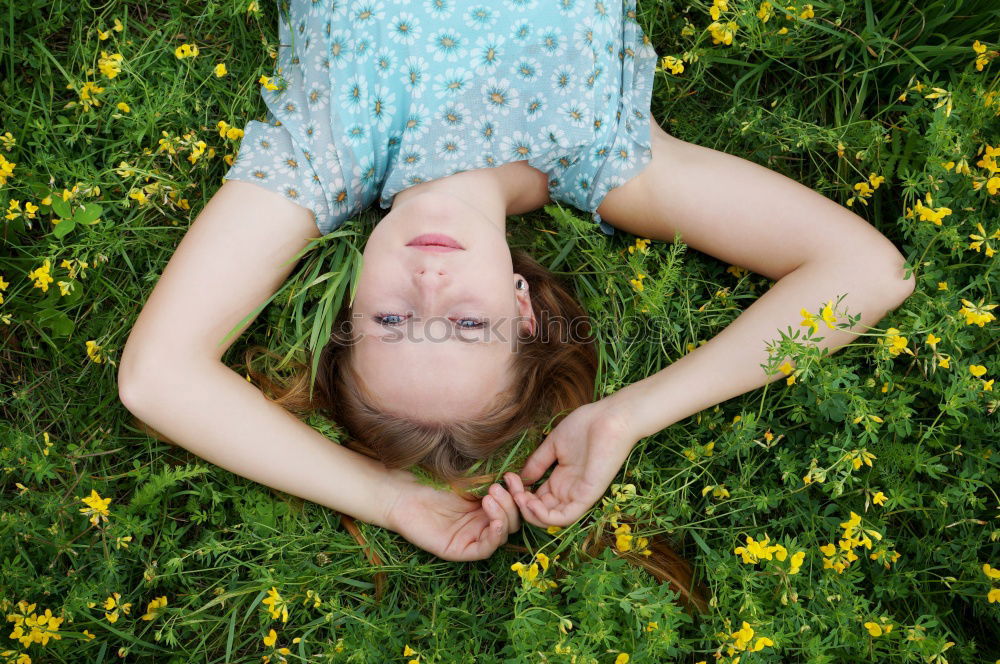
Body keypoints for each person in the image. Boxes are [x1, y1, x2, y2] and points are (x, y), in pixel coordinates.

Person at [118, 0, 915, 578]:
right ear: (522, 307)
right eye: (466, 324)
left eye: (392, 318)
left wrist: (388, 499)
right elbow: (867, 273)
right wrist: (628, 414)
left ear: (351, 303)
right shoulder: (608, 156)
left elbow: (159, 377)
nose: (428, 283)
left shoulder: (320, 152)